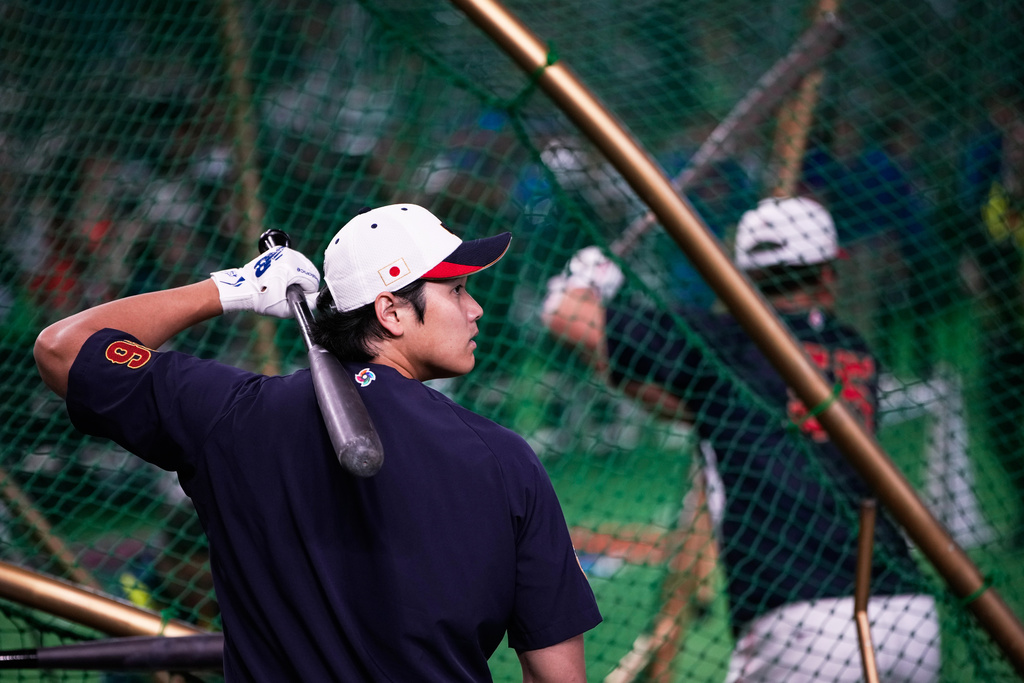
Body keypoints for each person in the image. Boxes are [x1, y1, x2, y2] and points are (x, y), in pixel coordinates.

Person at [34, 203, 602, 682]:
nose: (476, 309)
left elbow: (63, 347)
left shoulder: (235, 416)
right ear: (391, 311)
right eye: (456, 291)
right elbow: (558, 674)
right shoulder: (505, 459)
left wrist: (233, 289)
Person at [542, 196, 940, 682]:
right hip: (908, 614)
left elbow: (568, 321)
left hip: (798, 619)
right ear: (830, 273)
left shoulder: (724, 343)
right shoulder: (855, 351)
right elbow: (699, 410)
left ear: (743, 273)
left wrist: (584, 283)